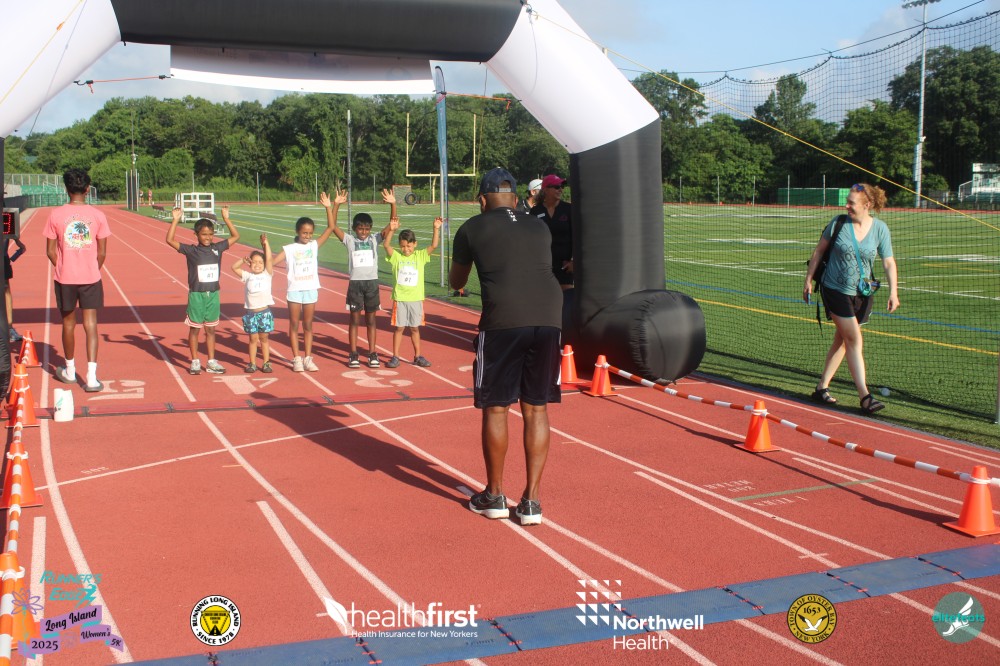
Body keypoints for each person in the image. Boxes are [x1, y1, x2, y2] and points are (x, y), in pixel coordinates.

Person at [450, 167, 562, 526]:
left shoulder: (472, 227)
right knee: (537, 409)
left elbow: (456, 281)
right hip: (549, 318)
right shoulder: (539, 226)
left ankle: (495, 495)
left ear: (483, 200)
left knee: (496, 408)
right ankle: (531, 502)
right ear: (515, 198)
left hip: (503, 321)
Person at [803, 182, 899, 414]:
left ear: (867, 205)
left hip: (862, 294)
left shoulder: (880, 229)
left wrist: (893, 291)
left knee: (843, 340)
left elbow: (888, 262)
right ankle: (865, 396)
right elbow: (819, 251)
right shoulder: (838, 223)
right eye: (847, 201)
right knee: (854, 339)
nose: (846, 206)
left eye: (851, 203)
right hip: (834, 289)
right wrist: (808, 279)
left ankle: (821, 387)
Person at [45, 168, 111, 392]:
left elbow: (50, 251)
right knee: (91, 324)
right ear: (87, 189)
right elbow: (102, 252)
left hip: (65, 277)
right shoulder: (98, 215)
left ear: (66, 189)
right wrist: (90, 268)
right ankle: (92, 378)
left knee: (68, 323)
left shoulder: (55, 215)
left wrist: (64, 266)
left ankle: (70, 371)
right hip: (91, 276)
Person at [166, 205, 241, 375]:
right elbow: (169, 240)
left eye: (210, 234)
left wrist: (226, 218)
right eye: (204, 234)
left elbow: (236, 236)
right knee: (195, 329)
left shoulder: (218, 248)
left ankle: (211, 361)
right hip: (197, 295)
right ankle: (194, 361)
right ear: (196, 234)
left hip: (213, 294)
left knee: (211, 330)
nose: (208, 237)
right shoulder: (191, 251)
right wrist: (175, 220)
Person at [270, 192, 340, 372]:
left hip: (310, 289)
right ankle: (296, 359)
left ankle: (308, 358)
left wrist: (329, 207)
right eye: (304, 233)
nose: (307, 236)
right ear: (297, 232)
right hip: (294, 290)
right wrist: (261, 254)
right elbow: (272, 262)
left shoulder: (314, 246)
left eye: (310, 233)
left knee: (308, 325)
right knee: (294, 325)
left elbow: (331, 227)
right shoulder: (289, 248)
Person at [330, 188, 395, 368]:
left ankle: (372, 353)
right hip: (355, 285)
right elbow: (332, 226)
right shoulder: (350, 240)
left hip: (372, 284)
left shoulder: (374, 239)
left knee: (371, 320)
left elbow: (392, 224)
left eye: (366, 229)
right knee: (354, 320)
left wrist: (393, 204)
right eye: (360, 228)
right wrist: (336, 205)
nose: (364, 232)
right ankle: (353, 354)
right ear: (354, 229)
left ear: (370, 229)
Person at [382, 215, 442, 368]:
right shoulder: (397, 257)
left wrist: (436, 228)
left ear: (415, 244)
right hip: (400, 299)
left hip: (415, 299)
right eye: (403, 246)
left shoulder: (420, 256)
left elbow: (434, 245)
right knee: (399, 328)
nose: (406, 249)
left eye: (409, 246)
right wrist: (392, 230)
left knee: (415, 328)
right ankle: (395, 356)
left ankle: (417, 356)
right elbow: (386, 245)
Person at [530, 174, 574, 332]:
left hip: (564, 265)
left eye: (561, 186)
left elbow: (578, 236)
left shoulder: (568, 209)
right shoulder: (535, 211)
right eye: (556, 187)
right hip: (543, 265)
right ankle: (543, 333)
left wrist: (574, 261)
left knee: (566, 302)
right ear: (546, 189)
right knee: (543, 301)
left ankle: (566, 334)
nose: (560, 189)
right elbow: (531, 239)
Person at [230, 234, 275, 373]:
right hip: (251, 314)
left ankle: (266, 363)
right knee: (253, 339)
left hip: (264, 313)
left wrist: (266, 243)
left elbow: (269, 258)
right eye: (254, 262)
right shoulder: (248, 276)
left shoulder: (267, 275)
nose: (257, 265)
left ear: (264, 265)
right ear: (250, 264)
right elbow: (234, 267)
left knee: (264, 339)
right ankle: (252, 363)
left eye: (260, 262)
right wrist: (242, 260)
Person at [5, 236, 26, 344]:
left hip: (3, 258)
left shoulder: (7, 225)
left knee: (6, 291)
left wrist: (18, 241)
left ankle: (9, 328)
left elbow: (12, 232)